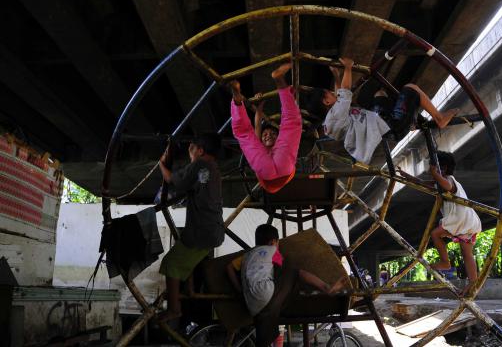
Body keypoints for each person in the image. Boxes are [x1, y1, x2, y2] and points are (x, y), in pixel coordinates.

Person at [305, 59, 458, 162]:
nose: (333, 93)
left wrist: (336, 75)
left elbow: (339, 96)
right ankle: (439, 118)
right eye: (329, 94)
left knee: (380, 95)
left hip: (379, 122)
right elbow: (344, 91)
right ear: (326, 101)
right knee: (411, 88)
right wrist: (348, 67)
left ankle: (409, 119)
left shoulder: (331, 119)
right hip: (391, 127)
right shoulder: (337, 113)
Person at [227, 224, 347, 347]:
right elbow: (283, 270)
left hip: (251, 304)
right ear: (273, 242)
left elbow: (229, 267)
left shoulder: (247, 254)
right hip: (266, 293)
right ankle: (327, 288)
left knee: (267, 316)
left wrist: (239, 289)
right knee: (295, 272)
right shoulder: (273, 251)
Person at [156, 133, 225, 322]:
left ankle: (174, 309)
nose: (190, 154)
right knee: (188, 261)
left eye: (191, 150)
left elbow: (173, 180)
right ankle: (189, 291)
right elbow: (196, 185)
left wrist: (161, 164)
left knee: (170, 264)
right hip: (213, 230)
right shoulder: (211, 169)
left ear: (200, 150)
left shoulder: (200, 165)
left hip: (201, 231)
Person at [230, 63, 302, 193]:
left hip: (270, 172)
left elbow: (258, 124)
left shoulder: (261, 146)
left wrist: (260, 105)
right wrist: (260, 104)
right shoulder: (276, 146)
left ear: (278, 138)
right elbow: (258, 123)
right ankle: (280, 83)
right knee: (289, 124)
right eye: (266, 134)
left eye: (272, 134)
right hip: (281, 169)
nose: (268, 135)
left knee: (291, 124)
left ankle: (236, 99)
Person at [424, 151, 481, 295]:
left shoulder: (449, 179)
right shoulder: (440, 182)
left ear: (442, 168)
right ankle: (473, 283)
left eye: (436, 168)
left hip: (460, 219)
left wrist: (434, 172)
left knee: (435, 234)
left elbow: (448, 186)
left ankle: (445, 262)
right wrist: (405, 176)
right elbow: (423, 184)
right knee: (466, 253)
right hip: (467, 220)